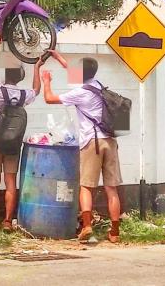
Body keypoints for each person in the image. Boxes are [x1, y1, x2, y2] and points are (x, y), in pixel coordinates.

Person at [41, 50, 123, 243]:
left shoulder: (80, 93)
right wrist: (59, 57)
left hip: (91, 142)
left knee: (86, 186)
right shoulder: (99, 86)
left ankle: (86, 226)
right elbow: (73, 72)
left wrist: (46, 82)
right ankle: (115, 232)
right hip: (110, 141)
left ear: (81, 73)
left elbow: (49, 99)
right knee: (111, 188)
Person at [0, 31, 43, 231]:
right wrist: (37, 68)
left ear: (5, 75)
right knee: (10, 181)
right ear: (19, 77)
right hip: (13, 143)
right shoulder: (24, 94)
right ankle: (9, 221)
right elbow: (37, 90)